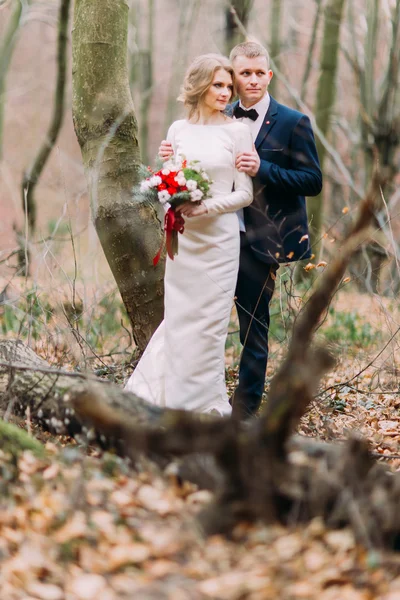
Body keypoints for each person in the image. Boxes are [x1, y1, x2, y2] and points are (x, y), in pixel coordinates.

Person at [160, 41, 322, 420]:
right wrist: (169, 158)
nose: (251, 80)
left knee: (253, 328)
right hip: (205, 239)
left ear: (269, 75)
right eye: (242, 74)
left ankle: (243, 415)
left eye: (258, 73)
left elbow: (312, 181)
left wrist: (262, 168)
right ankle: (184, 390)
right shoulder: (219, 116)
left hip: (261, 242)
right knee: (200, 320)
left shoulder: (293, 122)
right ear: (232, 77)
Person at [125, 54, 253, 416]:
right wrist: (172, 198)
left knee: (210, 327)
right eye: (218, 85)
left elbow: (246, 193)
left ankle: (202, 407)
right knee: (180, 321)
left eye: (229, 86)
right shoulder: (178, 130)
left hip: (219, 241)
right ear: (199, 85)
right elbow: (169, 180)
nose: (226, 92)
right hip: (184, 242)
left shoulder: (237, 131)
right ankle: (163, 400)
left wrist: (206, 208)